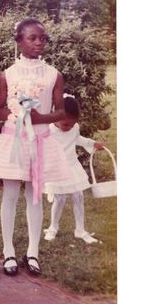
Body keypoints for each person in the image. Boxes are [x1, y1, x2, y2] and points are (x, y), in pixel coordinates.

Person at [0, 18, 68, 276]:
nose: (38, 43)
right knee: (10, 194)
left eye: (42, 38)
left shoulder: (53, 74)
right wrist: (16, 114)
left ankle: (32, 251)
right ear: (19, 41)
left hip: (41, 141)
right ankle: (9, 251)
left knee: (35, 196)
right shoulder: (8, 75)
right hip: (15, 140)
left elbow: (60, 112)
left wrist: (39, 119)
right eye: (32, 38)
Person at [43, 94, 104, 244]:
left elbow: (77, 139)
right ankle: (53, 227)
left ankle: (80, 229)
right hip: (56, 168)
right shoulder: (48, 130)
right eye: (65, 125)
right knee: (60, 198)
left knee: (79, 195)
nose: (68, 128)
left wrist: (92, 143)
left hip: (72, 165)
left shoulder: (74, 128)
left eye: (71, 125)